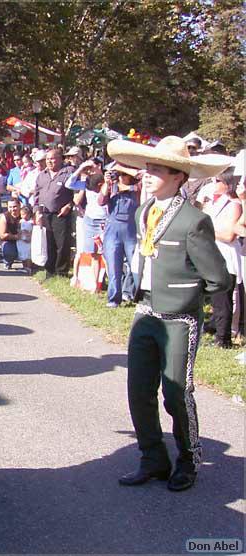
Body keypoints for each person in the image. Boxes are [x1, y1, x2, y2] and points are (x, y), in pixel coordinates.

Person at [108, 136, 231, 492]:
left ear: (178, 177)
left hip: (180, 318)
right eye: (147, 169)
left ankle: (189, 459)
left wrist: (186, 299)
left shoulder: (194, 220)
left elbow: (218, 279)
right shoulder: (144, 210)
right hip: (145, 312)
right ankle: (153, 457)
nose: (147, 176)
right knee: (138, 390)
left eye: (156, 170)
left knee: (177, 393)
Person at [200, 167, 242, 348]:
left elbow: (229, 234)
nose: (214, 184)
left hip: (226, 256)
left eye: (218, 181)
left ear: (227, 184)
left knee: (223, 299)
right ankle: (213, 328)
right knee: (213, 299)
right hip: (211, 254)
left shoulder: (234, 204)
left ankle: (223, 338)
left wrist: (207, 231)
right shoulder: (213, 203)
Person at [98, 163, 140, 308]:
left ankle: (135, 294)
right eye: (119, 174)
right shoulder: (112, 187)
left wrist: (126, 184)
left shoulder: (137, 187)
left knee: (135, 264)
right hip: (113, 230)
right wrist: (107, 183)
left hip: (131, 230)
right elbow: (101, 201)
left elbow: (140, 182)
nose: (121, 177)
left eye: (123, 174)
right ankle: (114, 298)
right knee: (114, 266)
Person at [33, 149, 75, 276]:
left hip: (61, 214)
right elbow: (36, 195)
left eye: (52, 159)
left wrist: (69, 205)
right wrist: (36, 212)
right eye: (47, 159)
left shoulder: (68, 173)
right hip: (45, 213)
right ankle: (49, 271)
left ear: (60, 159)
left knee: (62, 244)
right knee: (48, 243)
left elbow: (77, 193)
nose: (49, 162)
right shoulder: (42, 175)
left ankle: (61, 272)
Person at [0, 197, 23, 270]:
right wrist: (16, 237)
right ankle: (8, 261)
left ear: (19, 206)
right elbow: (2, 235)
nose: (12, 209)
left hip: (25, 240)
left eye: (15, 207)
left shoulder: (25, 214)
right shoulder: (4, 217)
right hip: (10, 241)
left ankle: (28, 265)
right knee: (9, 251)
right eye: (10, 207)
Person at [17, 204, 34, 272]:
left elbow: (32, 231)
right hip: (21, 240)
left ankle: (29, 267)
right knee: (22, 254)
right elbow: (18, 229)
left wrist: (30, 235)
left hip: (29, 240)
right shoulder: (21, 221)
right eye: (22, 214)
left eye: (25, 214)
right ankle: (24, 267)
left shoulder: (31, 222)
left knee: (28, 255)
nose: (23, 216)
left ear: (29, 214)